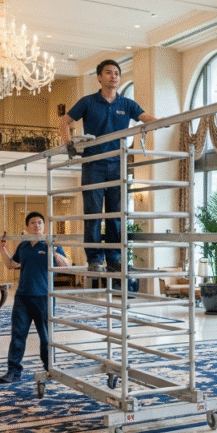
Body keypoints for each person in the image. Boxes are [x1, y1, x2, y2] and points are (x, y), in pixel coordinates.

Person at [59, 59, 156, 276]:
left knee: (116, 214)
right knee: (93, 213)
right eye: (109, 73)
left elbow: (145, 118)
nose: (113, 76)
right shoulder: (88, 102)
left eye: (117, 73)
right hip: (93, 163)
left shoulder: (127, 104)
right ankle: (95, 258)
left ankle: (115, 259)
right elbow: (63, 121)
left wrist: (166, 121)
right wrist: (69, 144)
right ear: (99, 77)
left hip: (118, 164)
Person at [0, 212, 70, 384]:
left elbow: (67, 266)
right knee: (17, 335)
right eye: (32, 223)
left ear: (44, 226)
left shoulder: (50, 244)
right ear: (27, 227)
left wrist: (53, 252)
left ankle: (49, 368)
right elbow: (10, 265)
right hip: (22, 298)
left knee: (46, 338)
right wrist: (2, 248)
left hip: (44, 298)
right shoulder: (23, 246)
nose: (36, 225)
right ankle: (13, 372)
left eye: (39, 222)